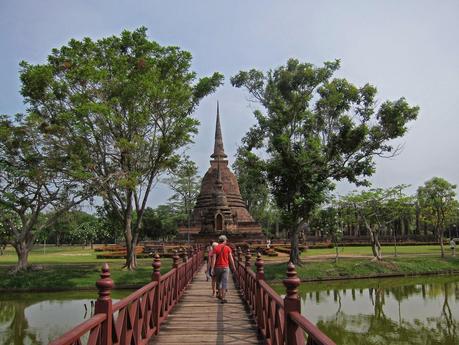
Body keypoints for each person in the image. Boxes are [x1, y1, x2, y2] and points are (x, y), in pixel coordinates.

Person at [211, 235, 235, 303]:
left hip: (217, 268)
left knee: (218, 282)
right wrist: (234, 267)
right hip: (225, 267)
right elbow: (231, 259)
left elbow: (214, 259)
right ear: (224, 241)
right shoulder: (228, 248)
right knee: (224, 283)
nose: (226, 241)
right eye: (226, 240)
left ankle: (220, 295)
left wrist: (212, 268)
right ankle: (223, 298)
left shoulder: (216, 248)